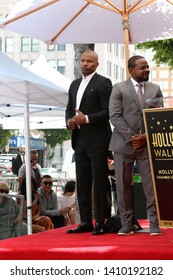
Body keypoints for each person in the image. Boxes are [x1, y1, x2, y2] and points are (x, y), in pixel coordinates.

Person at [109, 55, 163, 236]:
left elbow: (158, 117)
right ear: (131, 70)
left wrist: (146, 137)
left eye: (147, 67)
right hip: (123, 145)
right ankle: (126, 224)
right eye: (142, 67)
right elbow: (115, 116)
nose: (146, 70)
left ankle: (154, 223)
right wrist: (134, 137)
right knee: (123, 187)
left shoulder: (155, 89)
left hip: (146, 146)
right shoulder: (118, 88)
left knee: (151, 186)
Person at [65, 49, 112, 235]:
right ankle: (85, 221)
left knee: (99, 183)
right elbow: (69, 109)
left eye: (90, 61)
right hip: (79, 140)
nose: (85, 64)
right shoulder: (74, 84)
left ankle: (100, 222)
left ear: (96, 64)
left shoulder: (104, 82)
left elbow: (108, 111)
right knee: (82, 182)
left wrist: (87, 119)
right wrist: (69, 122)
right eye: (83, 61)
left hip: (98, 141)